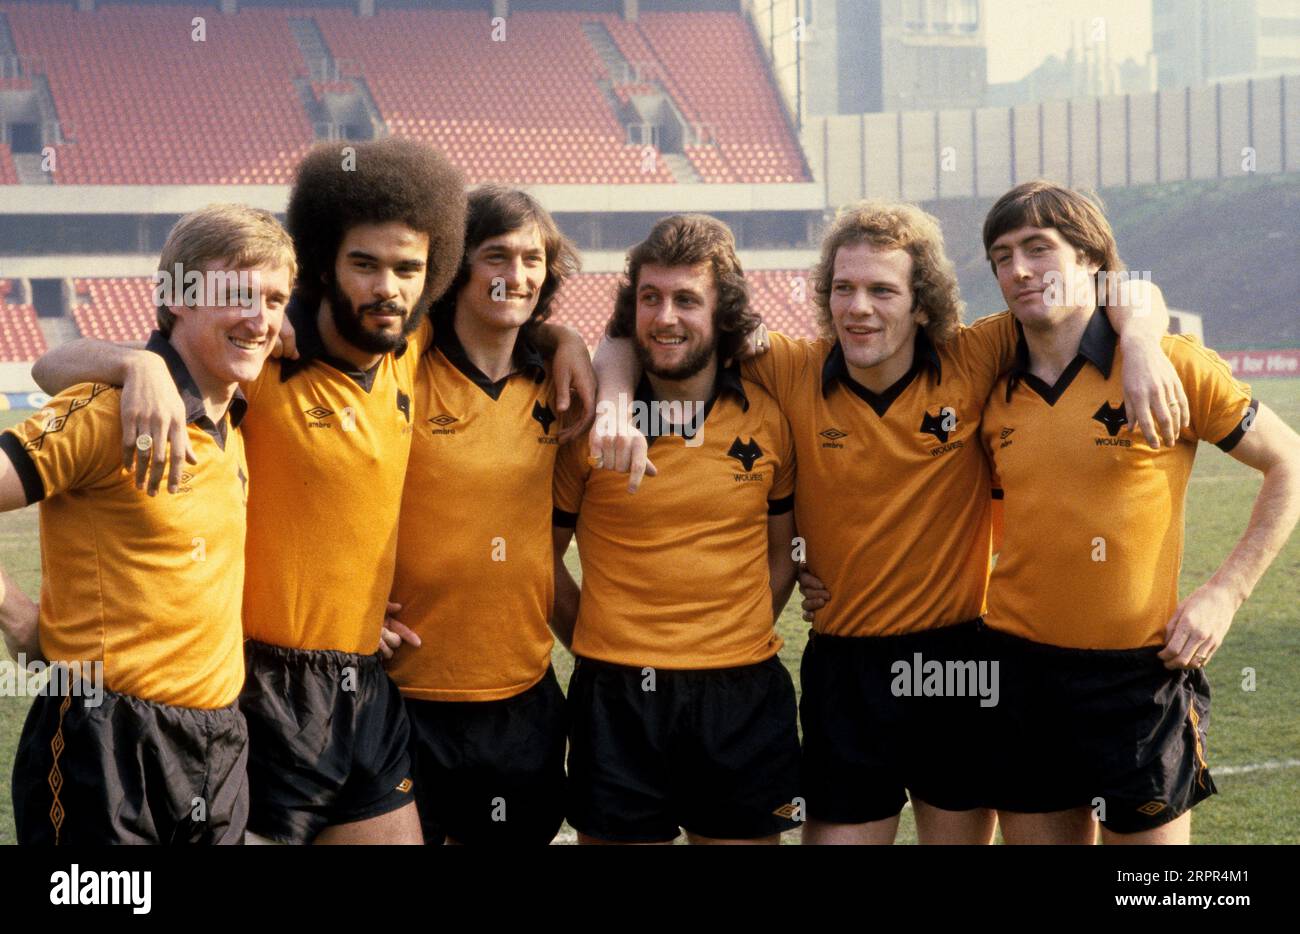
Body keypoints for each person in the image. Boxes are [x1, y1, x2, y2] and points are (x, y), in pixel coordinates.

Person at [30, 139, 597, 844]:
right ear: (325, 263)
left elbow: (510, 316)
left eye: (408, 270)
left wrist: (566, 339)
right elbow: (53, 365)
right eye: (365, 264)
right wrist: (135, 362)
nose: (388, 287)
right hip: (261, 687)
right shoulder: (262, 358)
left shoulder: (412, 347)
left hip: (367, 686)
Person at [590, 199, 1182, 844]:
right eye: (843, 288)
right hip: (846, 670)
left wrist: (1142, 340)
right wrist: (616, 405)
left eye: (881, 289)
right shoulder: (790, 367)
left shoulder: (974, 354)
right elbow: (632, 332)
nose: (858, 306)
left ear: (921, 301)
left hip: (959, 661)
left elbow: (1119, 285)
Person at [978, 180, 1300, 844]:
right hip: (1018, 671)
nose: (1019, 270)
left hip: (1138, 679)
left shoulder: (1168, 363)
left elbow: (1289, 463)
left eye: (1039, 249)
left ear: (1092, 261)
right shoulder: (984, 370)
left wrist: (1225, 593)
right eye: (1003, 256)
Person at [1, 204, 292, 843]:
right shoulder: (107, 414)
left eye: (274, 298)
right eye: (238, 294)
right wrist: (16, 612)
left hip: (217, 743)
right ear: (177, 299)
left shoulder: (234, 422)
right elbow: (52, 371)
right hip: (102, 742)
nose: (260, 317)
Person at [553, 214, 801, 845]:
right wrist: (596, 637)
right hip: (618, 697)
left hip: (740, 694)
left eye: (688, 300)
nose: (665, 318)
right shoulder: (589, 426)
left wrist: (731, 631)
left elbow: (784, 554)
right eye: (651, 298)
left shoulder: (770, 416)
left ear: (723, 313)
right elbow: (540, 560)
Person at [381, 185, 579, 845]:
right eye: (497, 256)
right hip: (405, 698)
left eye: (532, 259)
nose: (516, 276)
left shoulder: (561, 384)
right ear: (457, 267)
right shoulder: (404, 371)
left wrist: (565, 339)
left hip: (522, 696)